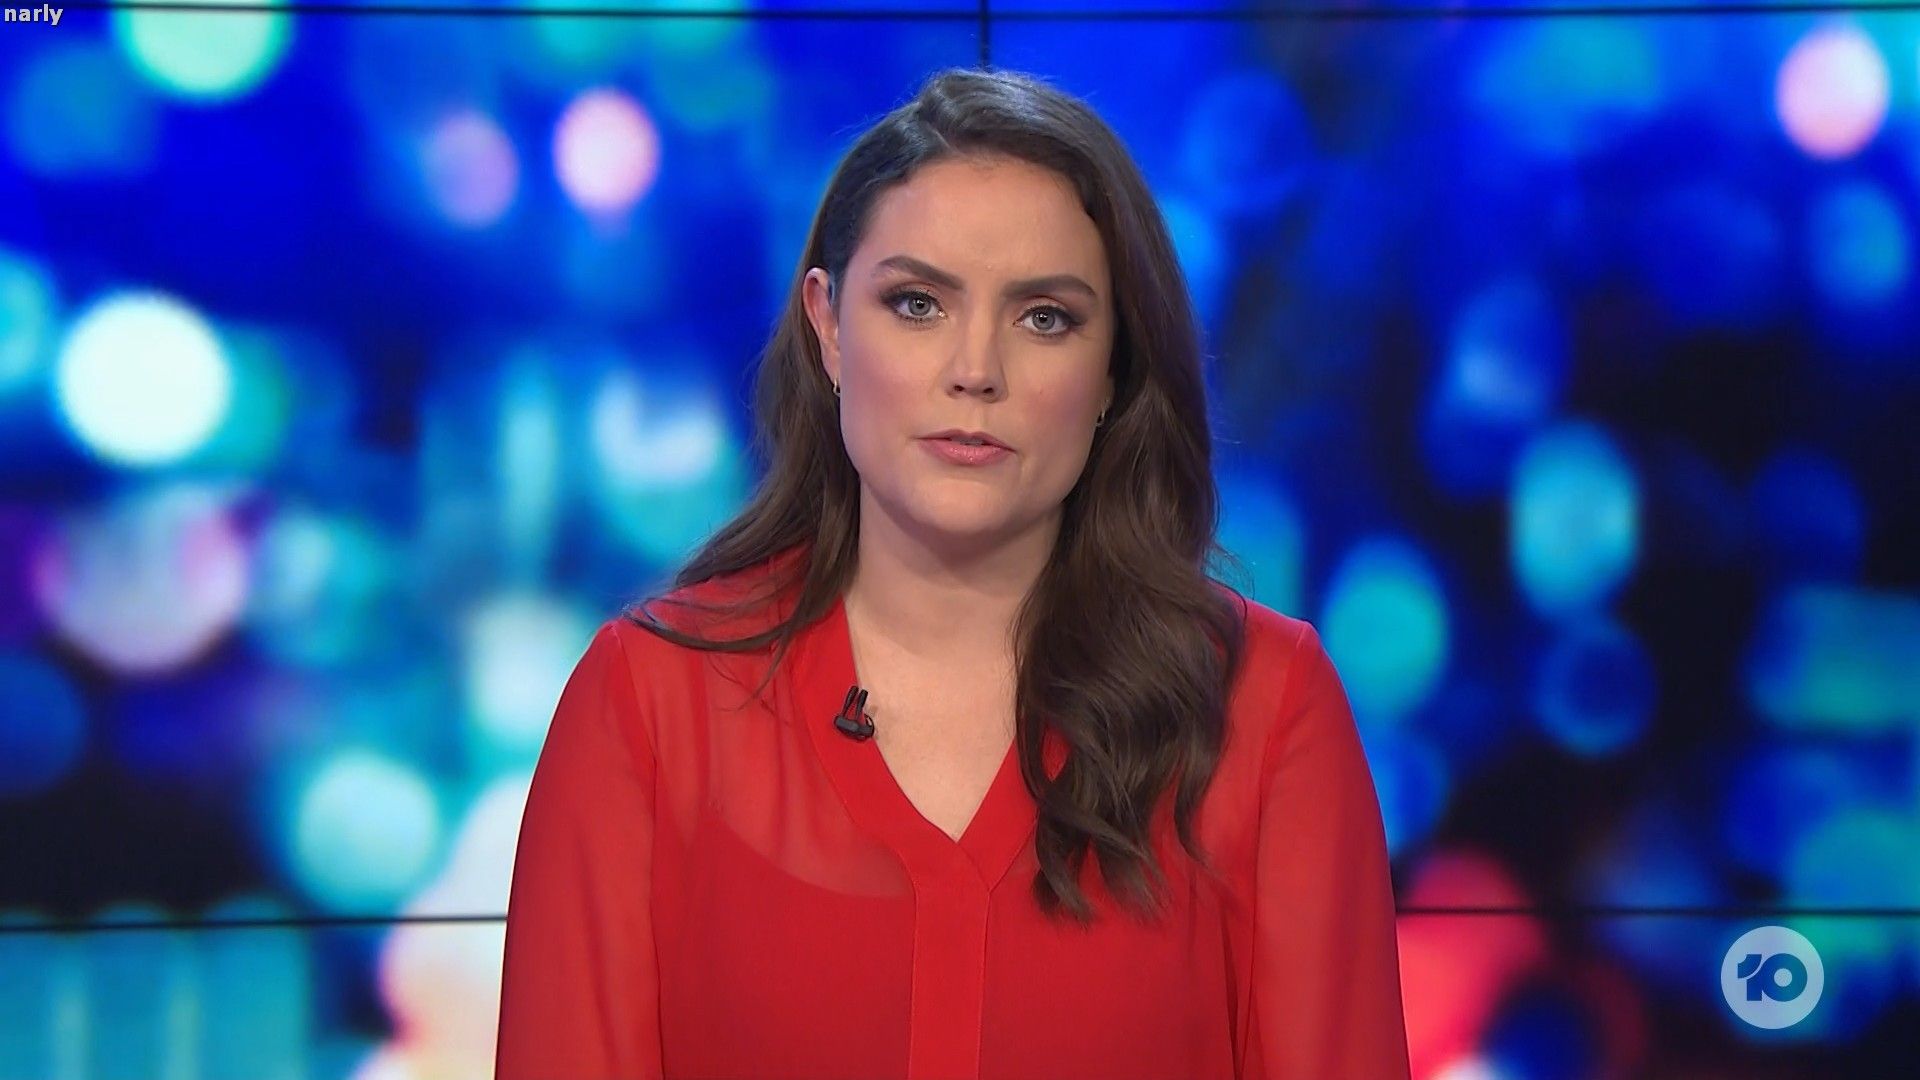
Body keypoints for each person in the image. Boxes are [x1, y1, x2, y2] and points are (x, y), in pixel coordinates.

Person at [495, 66, 1411, 1080]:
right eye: (918, 304)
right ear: (828, 325)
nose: (976, 369)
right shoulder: (648, 706)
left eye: (1045, 317)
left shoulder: (1262, 711)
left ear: (1115, 367)